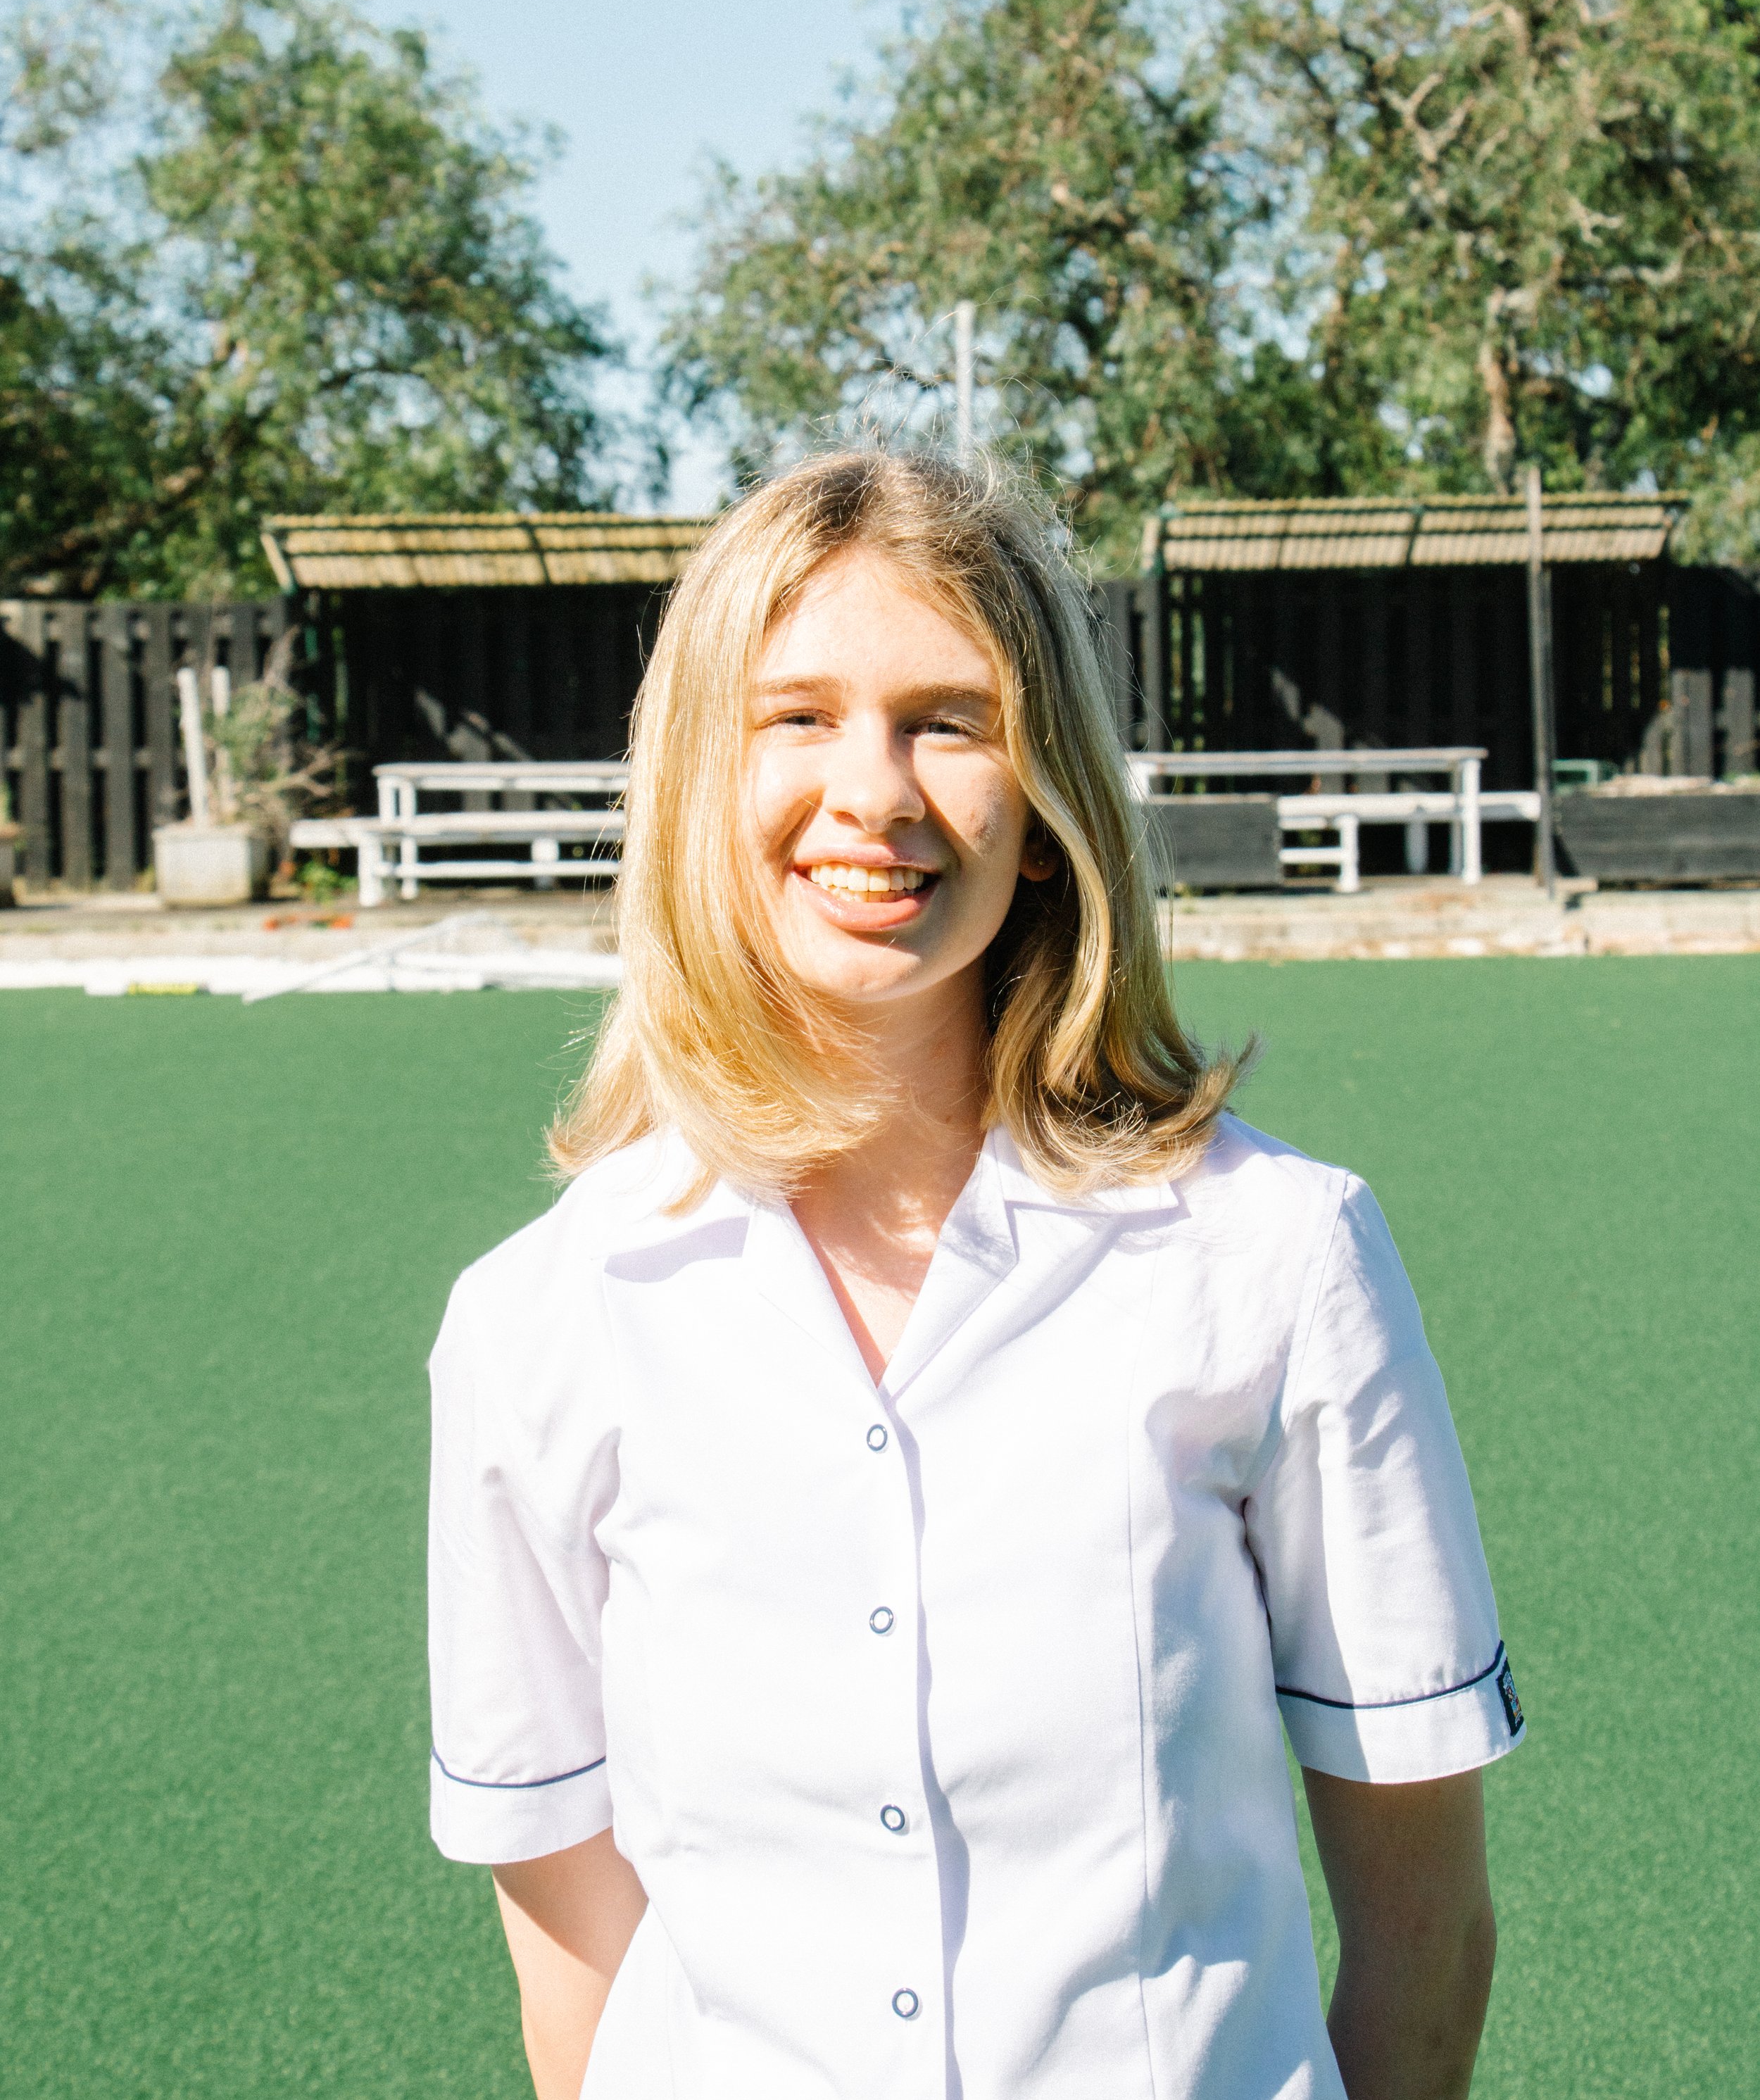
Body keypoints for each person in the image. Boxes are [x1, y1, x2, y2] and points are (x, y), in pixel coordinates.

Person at [427, 449, 1523, 2100]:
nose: (873, 791)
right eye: (793, 715)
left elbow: (1424, 1919)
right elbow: (571, 1948)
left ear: (1047, 810)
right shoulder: (538, 1319)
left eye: (949, 718)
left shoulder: (1275, 1257)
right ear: (694, 791)